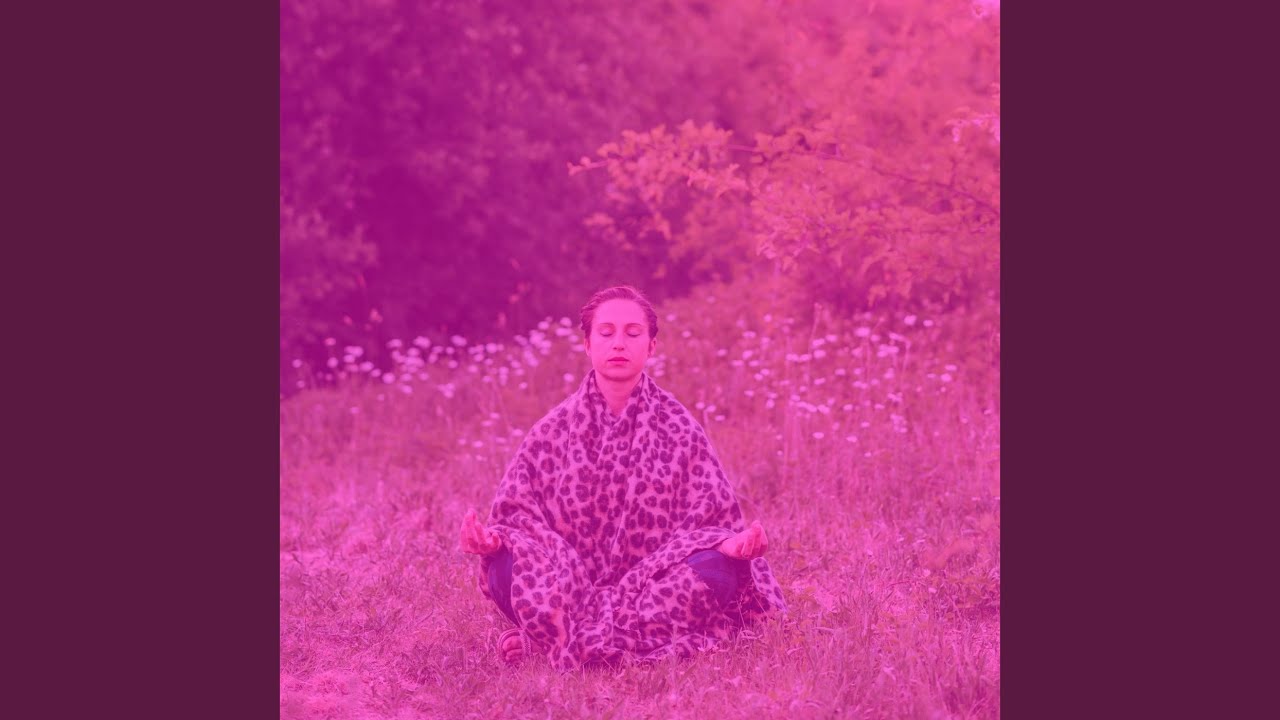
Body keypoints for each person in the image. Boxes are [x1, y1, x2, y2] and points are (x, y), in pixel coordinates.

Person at [459, 286, 787, 670]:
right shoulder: (551, 430)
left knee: (720, 571)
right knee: (505, 569)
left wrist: (733, 546)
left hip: (653, 592)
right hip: (567, 589)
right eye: (606, 332)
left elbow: (712, 522)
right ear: (587, 344)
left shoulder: (680, 428)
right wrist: (492, 541)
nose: (619, 343)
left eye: (632, 333)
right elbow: (517, 520)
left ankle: (554, 638)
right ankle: (611, 637)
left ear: (651, 346)